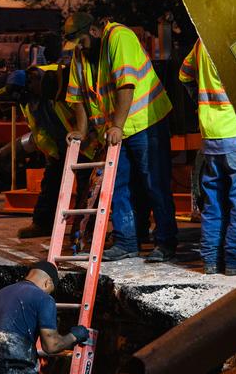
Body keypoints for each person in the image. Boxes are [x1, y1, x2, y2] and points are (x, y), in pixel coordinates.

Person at [64, 13, 178, 262]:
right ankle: (127, 242)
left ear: (94, 31)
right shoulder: (80, 54)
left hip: (146, 122)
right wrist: (82, 132)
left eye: (81, 42)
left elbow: (126, 84)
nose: (79, 49)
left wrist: (116, 125)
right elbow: (77, 96)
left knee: (154, 184)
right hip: (117, 129)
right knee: (117, 185)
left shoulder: (119, 37)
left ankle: (166, 242)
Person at [179, 39, 236, 276]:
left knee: (214, 203)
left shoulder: (201, 40)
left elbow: (185, 75)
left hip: (211, 134)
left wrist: (201, 106)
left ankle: (211, 261)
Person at [9, 65, 99, 239]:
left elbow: (85, 109)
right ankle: (42, 224)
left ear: (33, 78)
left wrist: (89, 138)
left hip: (84, 143)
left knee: (86, 185)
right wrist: (51, 151)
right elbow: (38, 128)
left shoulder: (59, 81)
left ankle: (87, 229)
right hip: (60, 144)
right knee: (50, 183)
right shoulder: (29, 97)